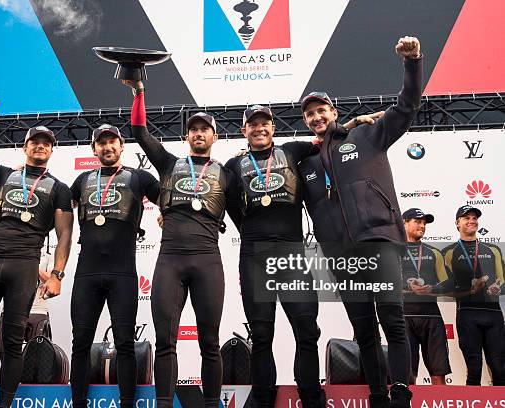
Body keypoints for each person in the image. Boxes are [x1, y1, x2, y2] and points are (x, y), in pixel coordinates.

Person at [223, 105, 378, 407]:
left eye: (264, 123)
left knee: (307, 330)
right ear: (244, 131)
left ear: (273, 127)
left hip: (292, 257)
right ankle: (263, 398)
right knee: (262, 334)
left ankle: (310, 396)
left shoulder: (293, 151)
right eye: (252, 125)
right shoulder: (233, 165)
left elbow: (328, 137)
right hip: (255, 257)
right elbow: (229, 207)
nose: (259, 129)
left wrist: (356, 121)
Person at [297, 36, 422, 407]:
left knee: (392, 321)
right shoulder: (305, 164)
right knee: (364, 330)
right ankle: (378, 396)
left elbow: (407, 105)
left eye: (322, 110)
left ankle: (401, 392)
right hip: (340, 254)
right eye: (309, 114)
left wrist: (412, 62)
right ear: (306, 121)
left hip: (378, 240)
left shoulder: (367, 135)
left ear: (333, 112)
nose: (317, 117)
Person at [123, 80, 240, 408]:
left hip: (207, 261)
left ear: (215, 137)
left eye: (205, 129)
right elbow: (139, 132)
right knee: (164, 343)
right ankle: (163, 403)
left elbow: (246, 217)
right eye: (193, 129)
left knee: (210, 343)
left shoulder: (228, 173)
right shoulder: (169, 163)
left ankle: (212, 403)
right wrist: (139, 93)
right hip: (170, 260)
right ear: (186, 136)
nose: (199, 133)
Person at [0, 97, 73, 408]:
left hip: (24, 265)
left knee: (12, 344)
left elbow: (64, 236)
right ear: (26, 146)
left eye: (46, 143)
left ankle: (5, 405)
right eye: (35, 141)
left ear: (51, 150)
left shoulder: (59, 188)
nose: (40, 147)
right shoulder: (5, 174)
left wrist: (57, 275)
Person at [69, 124, 159, 408]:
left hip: (123, 274)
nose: (107, 147)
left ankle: (127, 403)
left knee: (124, 343)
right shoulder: (82, 180)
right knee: (80, 342)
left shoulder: (140, 177)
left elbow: (170, 196)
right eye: (101, 143)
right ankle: (79, 403)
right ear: (94, 149)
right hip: (87, 273)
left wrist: (167, 216)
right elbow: (55, 205)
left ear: (122, 146)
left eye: (112, 142)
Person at [443, 205, 504, 385]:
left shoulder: (492, 249)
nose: (471, 221)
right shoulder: (448, 252)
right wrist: (469, 290)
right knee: (474, 368)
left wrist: (498, 288)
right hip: (467, 313)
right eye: (466, 218)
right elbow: (445, 287)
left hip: (493, 314)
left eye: (474, 218)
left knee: (500, 366)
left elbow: (503, 279)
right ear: (457, 223)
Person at [401, 208, 451, 385]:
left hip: (431, 316)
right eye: (417, 221)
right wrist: (408, 287)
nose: (422, 225)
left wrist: (433, 289)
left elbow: (448, 283)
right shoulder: (394, 251)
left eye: (424, 222)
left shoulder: (434, 252)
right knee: (406, 373)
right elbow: (386, 283)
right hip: (404, 317)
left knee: (439, 372)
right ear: (404, 223)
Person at [0, 246, 53, 361]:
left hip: (38, 311)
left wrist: (32, 264)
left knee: (37, 359)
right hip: (11, 311)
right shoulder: (10, 253)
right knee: (7, 355)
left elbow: (51, 282)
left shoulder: (48, 256)